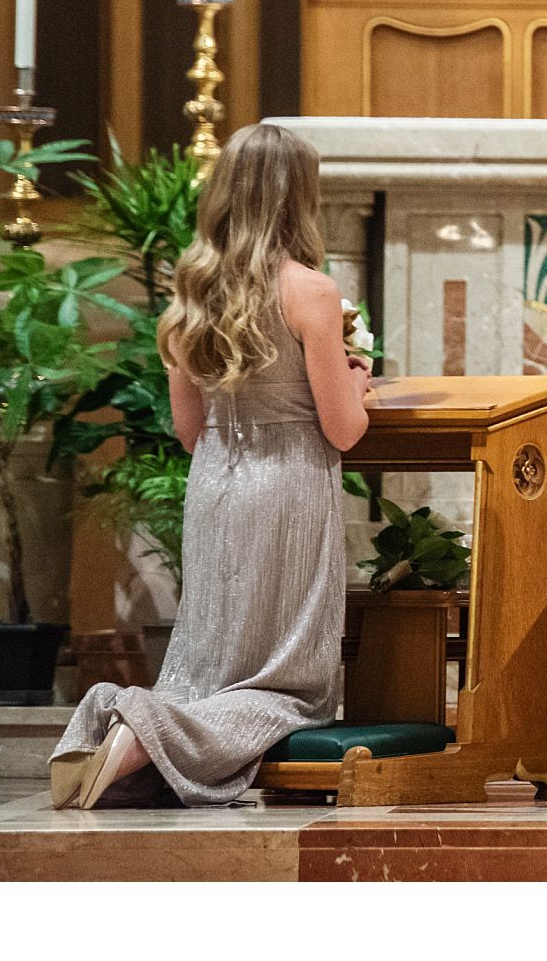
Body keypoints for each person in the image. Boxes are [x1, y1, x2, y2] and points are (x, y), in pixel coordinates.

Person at [50, 124, 372, 809]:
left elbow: (190, 432)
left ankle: (126, 726)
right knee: (289, 686)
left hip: (217, 486)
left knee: (209, 666)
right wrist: (359, 377)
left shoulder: (191, 289)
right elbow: (342, 429)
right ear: (298, 199)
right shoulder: (310, 291)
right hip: (286, 487)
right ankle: (138, 738)